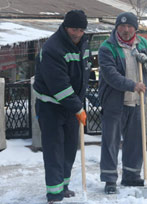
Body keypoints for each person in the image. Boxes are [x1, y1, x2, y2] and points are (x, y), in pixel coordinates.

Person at [98, 12, 147, 194]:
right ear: (117, 27)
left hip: (137, 101)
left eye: (130, 27)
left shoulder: (142, 44)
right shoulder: (107, 47)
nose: (126, 30)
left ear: (135, 28)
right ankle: (110, 179)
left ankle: (131, 175)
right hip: (114, 102)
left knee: (135, 141)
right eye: (122, 26)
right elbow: (111, 75)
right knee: (110, 142)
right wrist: (132, 85)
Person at [33, 10, 91, 204]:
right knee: (54, 151)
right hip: (51, 107)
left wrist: (78, 104)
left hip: (70, 107)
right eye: (74, 28)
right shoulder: (52, 48)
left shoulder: (83, 44)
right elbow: (59, 86)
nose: (77, 33)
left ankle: (63, 186)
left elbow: (83, 76)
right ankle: (54, 194)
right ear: (66, 27)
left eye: (81, 29)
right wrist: (78, 108)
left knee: (68, 149)